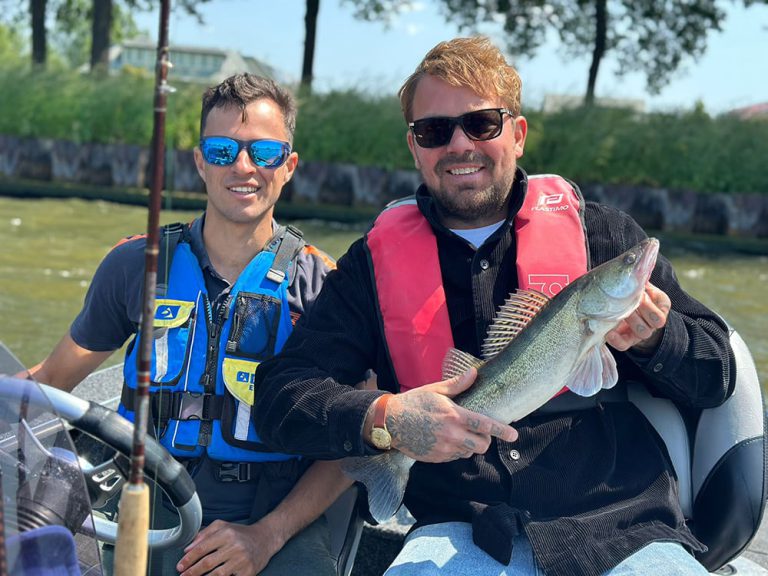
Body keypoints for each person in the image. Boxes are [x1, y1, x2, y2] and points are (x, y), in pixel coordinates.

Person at [252, 37, 736, 576]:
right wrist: (385, 418)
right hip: (461, 532)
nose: (460, 144)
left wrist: (656, 338)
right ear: (414, 147)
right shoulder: (371, 265)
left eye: (481, 123)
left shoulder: (602, 236)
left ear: (518, 134)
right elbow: (278, 395)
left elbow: (717, 374)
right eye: (435, 131)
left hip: (625, 530)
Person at [25, 73, 352, 576]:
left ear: (288, 166)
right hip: (143, 499)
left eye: (264, 153)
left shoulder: (323, 285)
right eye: (222, 150)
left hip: (271, 516)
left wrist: (267, 535)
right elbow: (50, 381)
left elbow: (353, 444)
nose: (243, 167)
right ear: (200, 162)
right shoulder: (135, 264)